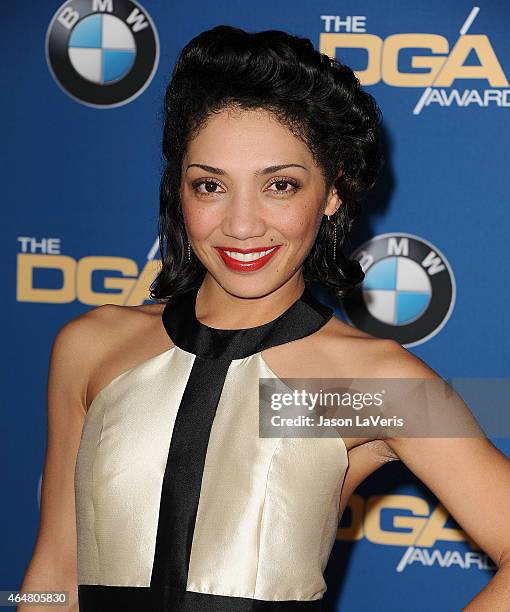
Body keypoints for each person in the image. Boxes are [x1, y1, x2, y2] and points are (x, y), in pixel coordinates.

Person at [19, 25, 510, 612]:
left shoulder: (375, 385)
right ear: (179, 189)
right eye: (210, 186)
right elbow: (53, 571)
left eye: (280, 185)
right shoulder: (90, 347)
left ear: (332, 192)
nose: (243, 224)